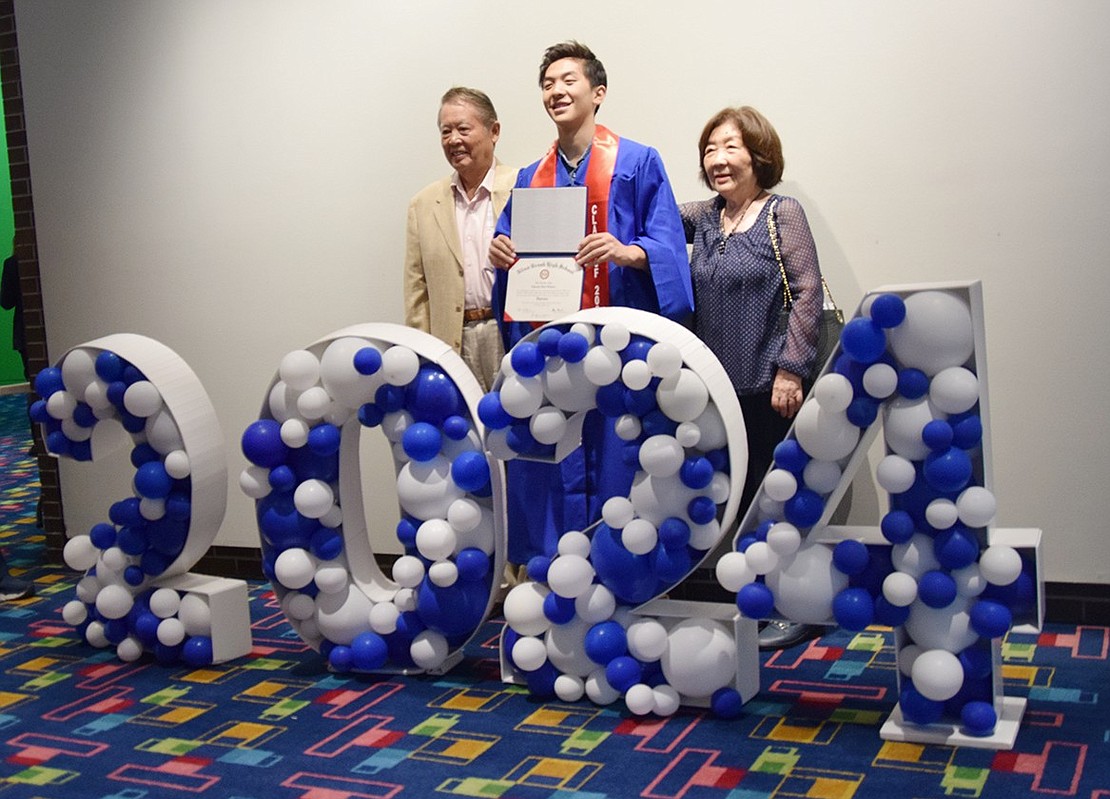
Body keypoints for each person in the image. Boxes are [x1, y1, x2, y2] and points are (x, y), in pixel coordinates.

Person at [489, 40, 693, 569]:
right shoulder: (532, 179)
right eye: (547, 84)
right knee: (550, 455)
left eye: (568, 81)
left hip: (620, 351)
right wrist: (501, 252)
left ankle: (621, 570)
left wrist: (629, 252)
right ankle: (554, 569)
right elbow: (511, 271)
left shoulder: (637, 162)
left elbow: (668, 245)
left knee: (620, 459)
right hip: (555, 351)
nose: (555, 91)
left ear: (598, 93)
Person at [679, 106, 822, 649]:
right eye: (710, 149)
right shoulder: (703, 217)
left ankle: (792, 603)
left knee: (777, 497)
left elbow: (807, 290)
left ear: (758, 154)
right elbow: (645, 222)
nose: (717, 159)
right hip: (717, 387)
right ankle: (753, 601)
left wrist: (791, 367)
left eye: (729, 147)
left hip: (769, 383)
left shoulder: (781, 212)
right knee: (737, 498)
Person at [403, 87, 518, 394]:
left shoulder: (525, 188)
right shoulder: (424, 204)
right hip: (452, 342)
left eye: (463, 129)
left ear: (494, 131)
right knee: (463, 434)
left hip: (507, 335)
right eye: (445, 131)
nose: (453, 140)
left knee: (518, 431)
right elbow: (417, 291)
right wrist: (421, 354)